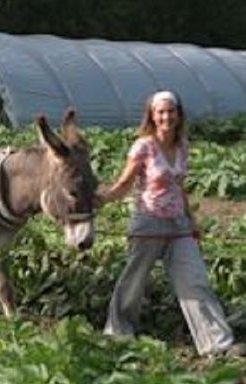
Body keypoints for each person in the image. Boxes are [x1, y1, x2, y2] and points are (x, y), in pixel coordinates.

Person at [97, 90, 245, 357]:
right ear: (152, 116)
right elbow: (124, 184)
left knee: (195, 280)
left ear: (178, 114)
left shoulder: (182, 146)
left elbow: (180, 187)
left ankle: (217, 344)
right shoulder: (143, 146)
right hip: (148, 224)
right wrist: (99, 200)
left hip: (179, 226)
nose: (166, 116)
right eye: (160, 112)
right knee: (133, 281)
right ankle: (117, 335)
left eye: (171, 111)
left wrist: (192, 219)